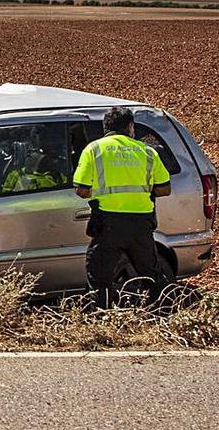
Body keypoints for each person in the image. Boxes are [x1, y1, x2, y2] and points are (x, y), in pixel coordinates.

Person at [73, 106, 172, 308]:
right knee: (151, 274)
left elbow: (82, 191)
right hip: (141, 224)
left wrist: (102, 192)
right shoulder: (148, 152)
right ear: (130, 127)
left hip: (109, 223)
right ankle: (163, 313)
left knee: (99, 274)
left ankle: (102, 318)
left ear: (106, 127)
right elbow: (164, 189)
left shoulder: (94, 149)